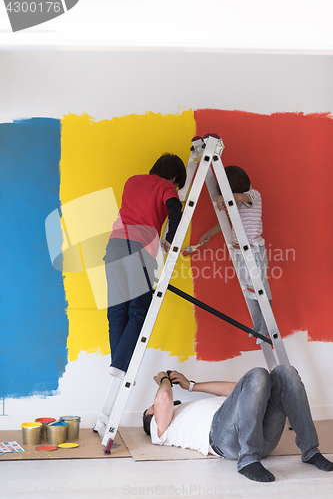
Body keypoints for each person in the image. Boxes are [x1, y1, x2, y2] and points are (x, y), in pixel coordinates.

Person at [143, 367, 333, 482]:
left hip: (260, 438)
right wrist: (164, 380)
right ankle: (248, 460)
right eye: (152, 406)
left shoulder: (187, 408)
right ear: (150, 413)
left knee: (285, 372)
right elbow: (165, 396)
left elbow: (241, 387)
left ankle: (310, 451)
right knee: (257, 373)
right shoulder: (158, 428)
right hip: (224, 440)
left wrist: (191, 386)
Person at [104, 153, 186, 379]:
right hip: (138, 250)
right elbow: (175, 209)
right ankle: (120, 365)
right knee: (138, 312)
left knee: (117, 312)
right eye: (177, 185)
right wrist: (170, 238)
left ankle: (117, 364)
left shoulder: (132, 181)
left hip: (114, 248)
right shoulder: (166, 187)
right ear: (174, 177)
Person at [199, 165, 271, 341]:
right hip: (242, 251)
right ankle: (259, 322)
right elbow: (227, 222)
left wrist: (223, 197)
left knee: (261, 287)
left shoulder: (253, 195)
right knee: (250, 289)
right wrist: (208, 234)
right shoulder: (236, 204)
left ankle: (267, 325)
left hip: (254, 249)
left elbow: (239, 197)